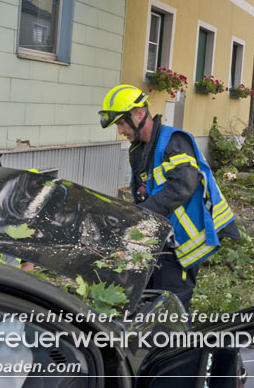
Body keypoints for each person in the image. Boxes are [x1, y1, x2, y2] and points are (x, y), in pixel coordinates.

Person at [99, 84, 239, 309]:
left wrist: (140, 214)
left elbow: (183, 186)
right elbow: (146, 194)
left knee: (171, 309)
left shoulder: (174, 141)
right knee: (151, 304)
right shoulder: (142, 149)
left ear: (139, 114)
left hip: (184, 244)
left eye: (122, 123)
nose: (121, 131)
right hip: (163, 240)